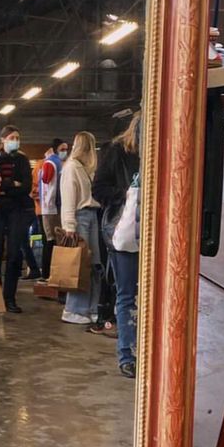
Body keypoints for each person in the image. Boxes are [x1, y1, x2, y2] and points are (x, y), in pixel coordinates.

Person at [93, 112, 141, 377]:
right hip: (123, 229)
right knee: (126, 295)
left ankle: (145, 352)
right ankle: (127, 355)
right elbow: (98, 189)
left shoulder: (163, 151)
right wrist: (127, 195)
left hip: (155, 231)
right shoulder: (116, 150)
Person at [0, 124, 35, 313]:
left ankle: (10, 298)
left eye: (17, 137)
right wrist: (11, 183)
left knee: (14, 254)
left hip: (17, 210)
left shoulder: (22, 160)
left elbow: (26, 187)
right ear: (3, 139)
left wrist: (4, 186)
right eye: (12, 137)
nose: (15, 141)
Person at [59, 131, 101, 325]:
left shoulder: (83, 168)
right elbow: (68, 198)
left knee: (93, 266)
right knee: (80, 266)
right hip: (80, 217)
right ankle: (73, 309)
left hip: (91, 216)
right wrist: (69, 226)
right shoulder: (71, 168)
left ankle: (90, 308)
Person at [39, 138, 69, 281]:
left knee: (52, 241)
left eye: (66, 149)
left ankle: (50, 274)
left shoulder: (53, 162)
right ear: (56, 149)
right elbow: (47, 183)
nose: (65, 152)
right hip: (52, 207)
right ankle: (49, 274)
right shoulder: (52, 163)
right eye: (62, 149)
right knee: (52, 241)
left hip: (53, 207)